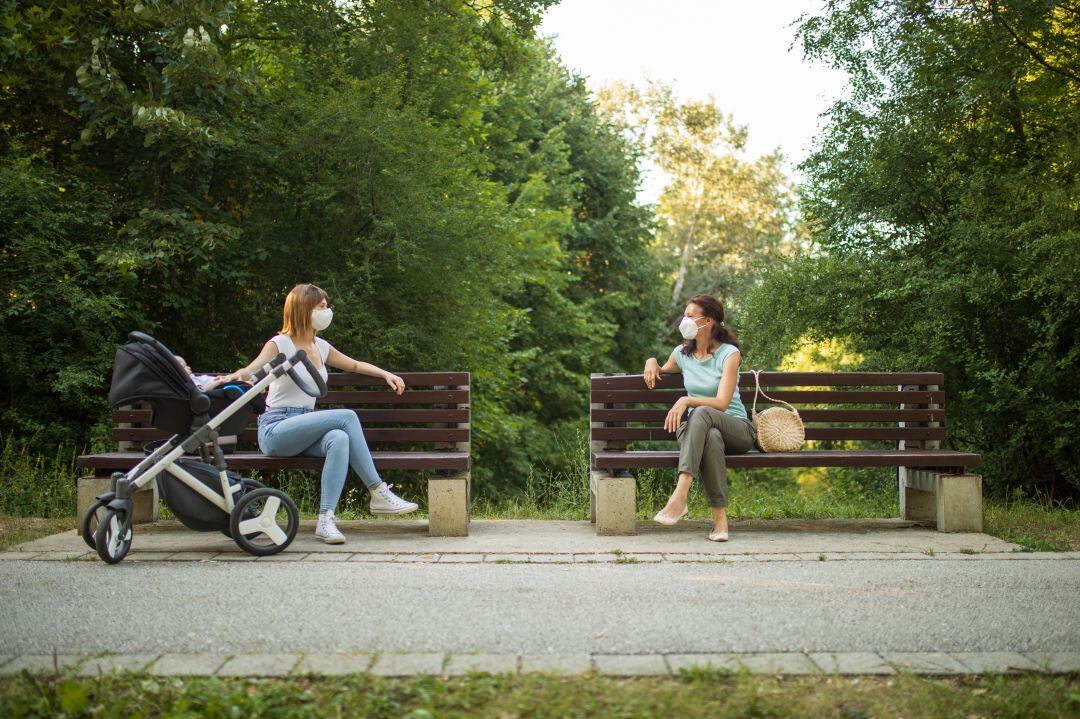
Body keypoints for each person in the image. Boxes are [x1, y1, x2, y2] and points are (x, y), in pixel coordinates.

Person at [218, 283, 418, 544]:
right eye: (321, 307)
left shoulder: (320, 346)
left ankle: (326, 520)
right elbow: (251, 371)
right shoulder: (280, 343)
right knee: (346, 417)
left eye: (327, 306)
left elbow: (354, 364)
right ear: (303, 310)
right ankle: (377, 490)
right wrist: (230, 378)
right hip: (276, 428)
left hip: (303, 427)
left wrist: (385, 374)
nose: (327, 311)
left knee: (340, 438)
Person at [642, 294, 757, 542]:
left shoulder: (729, 354)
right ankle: (720, 522)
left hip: (736, 428)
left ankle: (680, 494)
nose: (685, 320)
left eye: (690, 315)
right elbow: (661, 368)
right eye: (685, 315)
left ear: (708, 320)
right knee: (711, 437)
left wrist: (686, 400)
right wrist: (651, 361)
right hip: (701, 432)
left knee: (704, 412)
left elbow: (722, 403)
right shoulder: (682, 354)